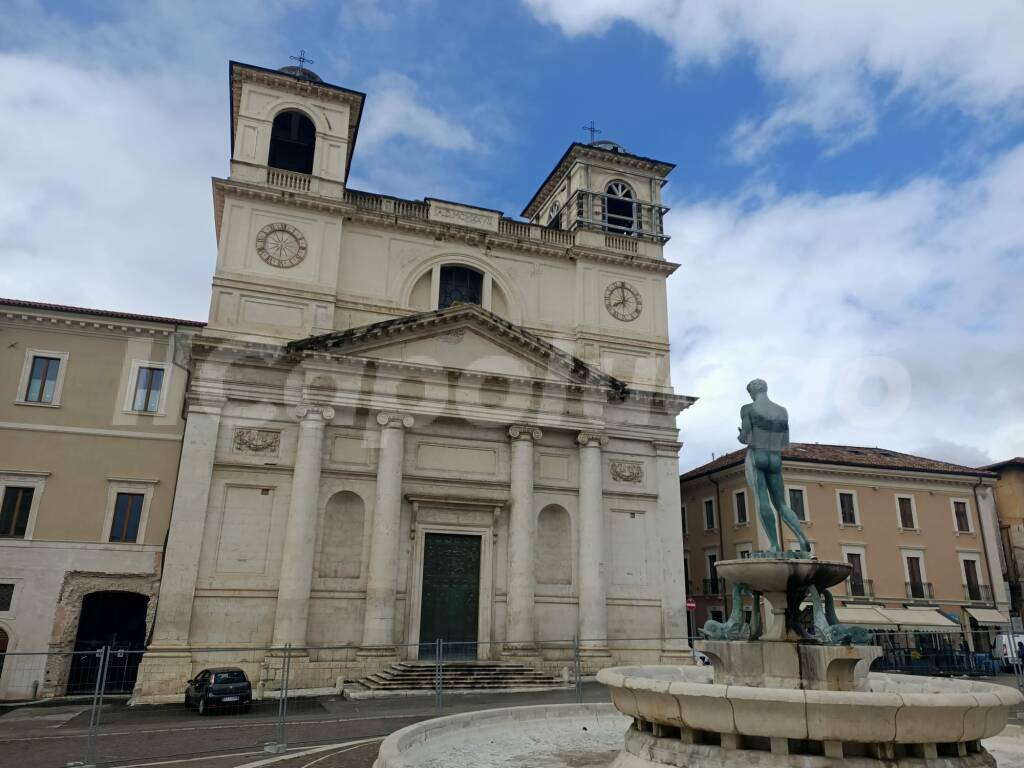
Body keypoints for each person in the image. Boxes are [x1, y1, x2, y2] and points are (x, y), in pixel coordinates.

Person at [738, 379, 811, 553]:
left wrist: (741, 436)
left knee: (762, 499)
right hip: (775, 458)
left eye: (750, 393)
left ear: (753, 391)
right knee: (781, 503)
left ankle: (774, 545)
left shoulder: (747, 409)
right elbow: (785, 440)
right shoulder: (782, 411)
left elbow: (746, 436)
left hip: (757, 456)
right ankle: (802, 537)